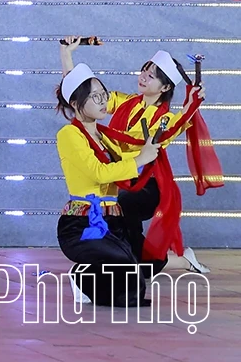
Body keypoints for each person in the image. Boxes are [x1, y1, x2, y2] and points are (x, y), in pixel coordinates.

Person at [60, 40, 215, 276]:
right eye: (145, 70)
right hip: (121, 179)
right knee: (127, 239)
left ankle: (120, 266)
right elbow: (83, 95)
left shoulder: (162, 119)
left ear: (164, 88)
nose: (143, 76)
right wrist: (66, 55)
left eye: (151, 76)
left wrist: (191, 104)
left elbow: (176, 126)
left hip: (144, 185)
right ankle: (178, 262)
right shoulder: (127, 101)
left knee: (120, 213)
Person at [53, 62, 166, 306]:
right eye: (95, 97)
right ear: (75, 103)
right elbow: (99, 173)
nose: (103, 101)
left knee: (139, 280)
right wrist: (139, 158)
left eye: (103, 95)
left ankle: (87, 278)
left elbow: (125, 161)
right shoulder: (69, 135)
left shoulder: (104, 136)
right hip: (81, 224)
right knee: (127, 271)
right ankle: (83, 276)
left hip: (112, 221)